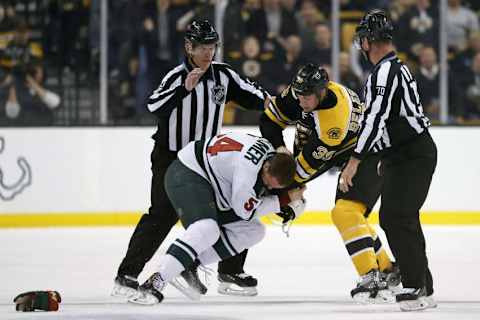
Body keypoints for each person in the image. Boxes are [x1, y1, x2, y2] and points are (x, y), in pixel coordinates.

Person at [113, 20, 270, 299]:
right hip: (171, 157)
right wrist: (184, 89)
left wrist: (283, 105)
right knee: (162, 215)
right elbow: (153, 105)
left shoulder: (223, 75)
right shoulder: (175, 76)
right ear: (189, 47)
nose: (208, 53)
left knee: (233, 205)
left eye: (212, 47)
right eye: (203, 47)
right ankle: (127, 274)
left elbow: (256, 97)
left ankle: (229, 270)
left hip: (207, 161)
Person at [259, 63, 399, 303]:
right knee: (349, 214)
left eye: (307, 96)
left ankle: (371, 277)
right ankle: (387, 269)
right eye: (299, 94)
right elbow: (268, 121)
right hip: (348, 153)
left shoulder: (333, 122)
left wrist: (278, 192)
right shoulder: (300, 93)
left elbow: (299, 173)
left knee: (345, 212)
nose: (301, 100)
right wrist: (281, 149)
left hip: (369, 153)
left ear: (322, 92)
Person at [129, 132, 306, 304]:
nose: (267, 186)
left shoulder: (269, 155)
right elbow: (244, 211)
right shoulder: (247, 171)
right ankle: (156, 280)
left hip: (210, 181)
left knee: (254, 231)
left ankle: (188, 264)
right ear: (266, 167)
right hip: (187, 173)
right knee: (207, 228)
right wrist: (284, 199)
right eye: (267, 183)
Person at [340, 9, 437, 311]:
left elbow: (375, 118)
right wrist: (384, 154)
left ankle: (416, 286)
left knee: (396, 217)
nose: (361, 46)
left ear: (369, 40)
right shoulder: (393, 69)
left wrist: (355, 160)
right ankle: (423, 286)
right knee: (403, 217)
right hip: (403, 154)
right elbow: (387, 120)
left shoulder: (385, 72)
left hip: (412, 154)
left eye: (362, 41)